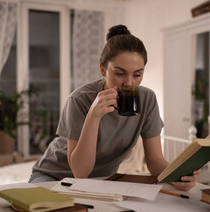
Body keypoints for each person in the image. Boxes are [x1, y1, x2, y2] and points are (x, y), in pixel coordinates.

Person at [29, 24, 200, 191]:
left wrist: (178, 175)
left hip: (101, 181)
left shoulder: (147, 100)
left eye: (138, 74)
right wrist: (93, 116)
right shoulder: (80, 99)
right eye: (120, 74)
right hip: (53, 176)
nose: (129, 83)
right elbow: (80, 172)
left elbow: (155, 160)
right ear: (103, 69)